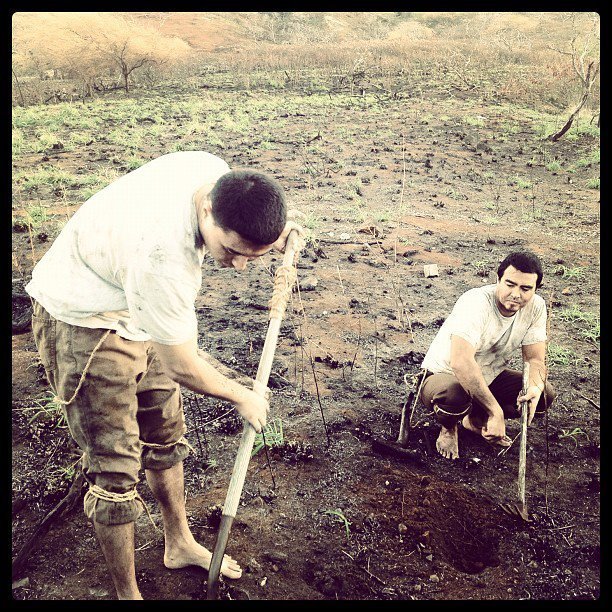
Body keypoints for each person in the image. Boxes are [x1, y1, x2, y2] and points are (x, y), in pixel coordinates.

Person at [26, 151, 303, 599]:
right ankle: (127, 595)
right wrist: (240, 395)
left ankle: (179, 542)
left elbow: (247, 225)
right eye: (231, 250)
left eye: (254, 255)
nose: (237, 265)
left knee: (164, 431)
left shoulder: (216, 175)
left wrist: (273, 237)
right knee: (115, 468)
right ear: (207, 210)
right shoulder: (163, 258)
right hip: (83, 319)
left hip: (135, 305)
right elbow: (182, 365)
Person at [418, 251, 556, 460]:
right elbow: (461, 362)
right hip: (443, 375)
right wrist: (495, 411)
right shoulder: (476, 302)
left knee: (545, 394)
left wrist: (535, 388)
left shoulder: (536, 307)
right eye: (510, 284)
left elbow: (535, 360)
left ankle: (474, 419)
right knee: (455, 395)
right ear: (498, 280)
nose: (516, 294)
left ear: (536, 289)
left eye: (526, 288)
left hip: (488, 376)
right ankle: (449, 427)